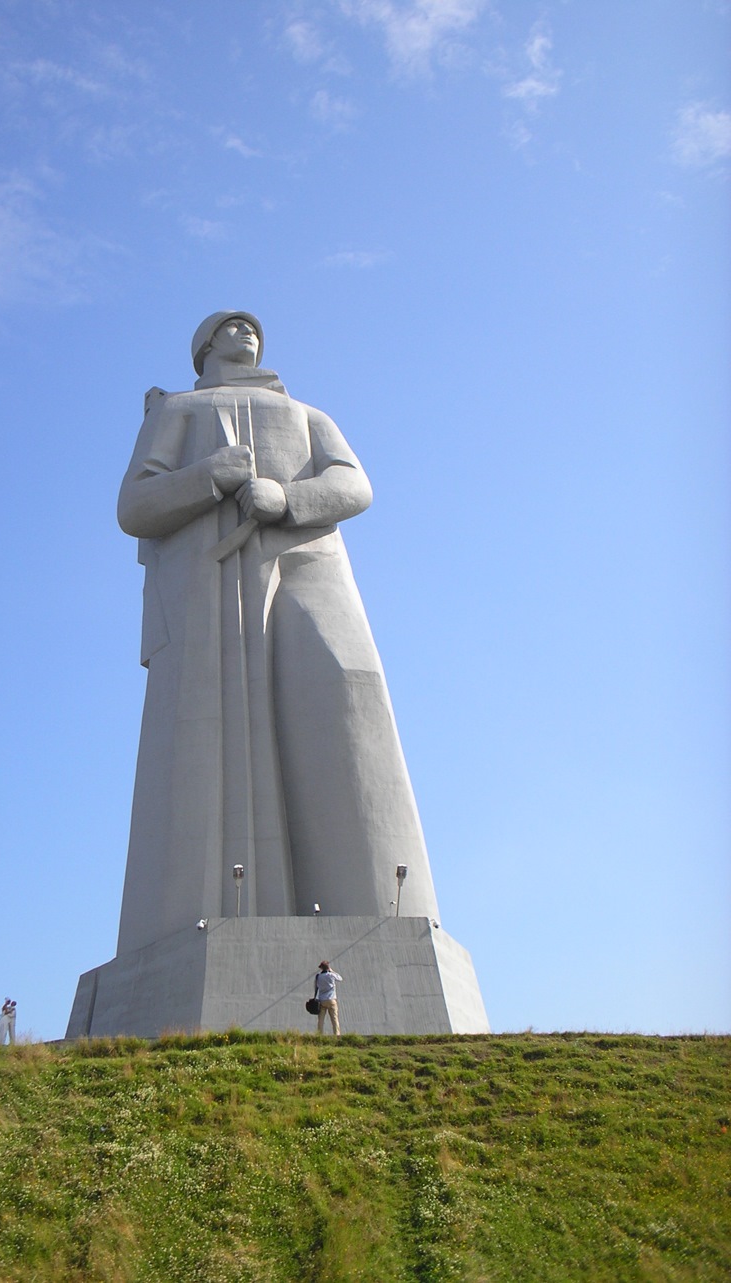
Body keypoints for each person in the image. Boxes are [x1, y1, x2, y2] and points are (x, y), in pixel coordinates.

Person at [114, 312, 440, 955]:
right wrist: (212, 474)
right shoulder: (177, 409)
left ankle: (384, 913)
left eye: (252, 325)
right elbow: (135, 507)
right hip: (210, 586)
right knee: (208, 743)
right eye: (231, 326)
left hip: (311, 566)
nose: (247, 330)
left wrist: (285, 499)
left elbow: (353, 482)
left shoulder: (307, 414)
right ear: (204, 347)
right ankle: (192, 920)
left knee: (346, 699)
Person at [314, 962, 343, 1035]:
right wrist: (332, 971)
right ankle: (337, 1034)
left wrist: (315, 997)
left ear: (321, 968)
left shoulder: (318, 976)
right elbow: (340, 978)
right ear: (328, 968)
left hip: (322, 1000)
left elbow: (316, 987)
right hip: (331, 999)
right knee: (334, 1018)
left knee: (321, 1019)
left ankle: (319, 1034)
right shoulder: (331, 975)